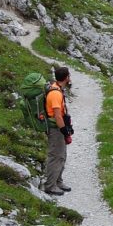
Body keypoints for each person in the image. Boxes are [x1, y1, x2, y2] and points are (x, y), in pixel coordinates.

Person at [42, 66, 73, 196]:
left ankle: (58, 181)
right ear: (66, 77)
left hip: (59, 127)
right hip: (56, 129)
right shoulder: (55, 94)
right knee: (55, 156)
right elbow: (57, 115)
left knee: (62, 155)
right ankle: (50, 185)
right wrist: (65, 131)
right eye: (69, 76)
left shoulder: (57, 88)